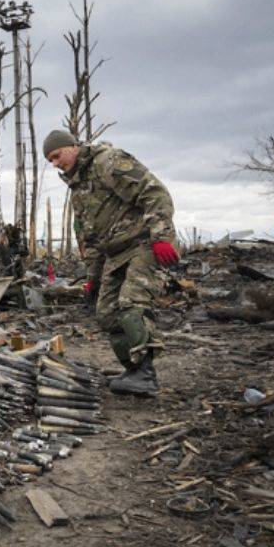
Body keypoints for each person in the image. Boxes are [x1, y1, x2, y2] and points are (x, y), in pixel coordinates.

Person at [44, 129, 179, 396]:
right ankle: (133, 370)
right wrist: (92, 278)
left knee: (131, 302)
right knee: (106, 312)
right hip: (116, 254)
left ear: (72, 146)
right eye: (50, 161)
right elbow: (90, 239)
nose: (56, 164)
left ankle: (145, 375)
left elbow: (154, 193)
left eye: (57, 156)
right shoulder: (79, 189)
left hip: (144, 243)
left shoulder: (108, 162)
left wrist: (161, 237)